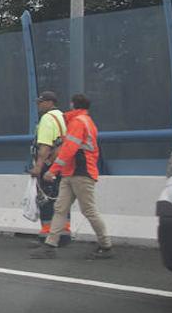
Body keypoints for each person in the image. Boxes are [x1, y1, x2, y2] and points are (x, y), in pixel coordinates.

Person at [30, 94, 113, 259]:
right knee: (60, 209)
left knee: (88, 210)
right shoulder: (85, 122)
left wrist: (52, 170)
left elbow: (69, 149)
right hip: (73, 172)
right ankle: (50, 245)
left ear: (73, 104)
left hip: (80, 172)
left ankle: (106, 245)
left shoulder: (77, 122)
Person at [29, 90, 71, 246]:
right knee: (62, 199)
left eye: (41, 102)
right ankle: (64, 234)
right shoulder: (63, 117)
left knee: (46, 199)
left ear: (49, 103)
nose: (38, 105)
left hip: (50, 166)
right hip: (64, 164)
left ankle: (47, 234)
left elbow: (45, 145)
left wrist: (39, 167)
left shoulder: (47, 118)